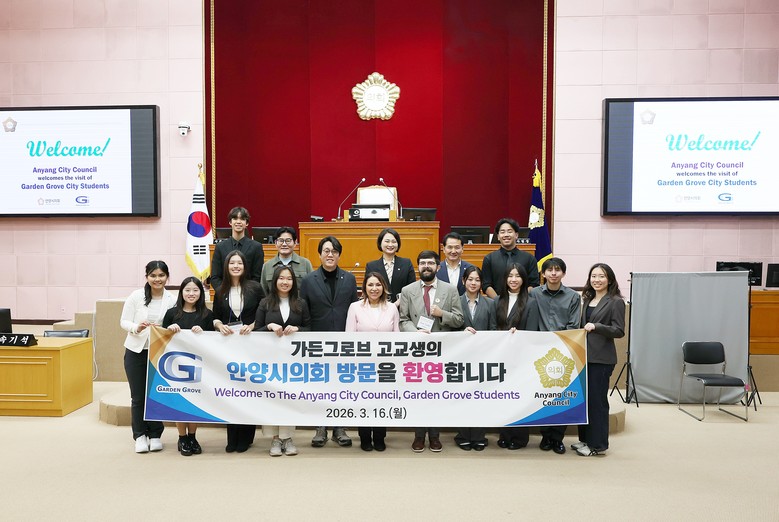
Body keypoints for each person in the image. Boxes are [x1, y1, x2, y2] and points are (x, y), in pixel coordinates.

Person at [399, 250, 464, 452]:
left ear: (438, 266)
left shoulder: (450, 290)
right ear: (418, 266)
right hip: (417, 350)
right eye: (423, 263)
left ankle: (435, 436)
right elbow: (403, 320)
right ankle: (419, 435)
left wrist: (442, 313)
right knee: (419, 395)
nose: (426, 266)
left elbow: (459, 319)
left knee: (436, 395)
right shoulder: (407, 290)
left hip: (441, 351)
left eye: (430, 263)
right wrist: (416, 332)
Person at [300, 236, 358, 448]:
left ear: (339, 255)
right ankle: (320, 427)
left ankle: (339, 428)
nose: (330, 254)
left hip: (344, 342)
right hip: (317, 342)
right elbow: (304, 311)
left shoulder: (349, 279)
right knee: (320, 387)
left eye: (334, 251)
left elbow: (355, 309)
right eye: (326, 251)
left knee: (341, 386)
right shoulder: (308, 280)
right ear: (319, 254)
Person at [120, 260, 177, 454]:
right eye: (153, 275)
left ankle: (155, 435)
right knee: (138, 397)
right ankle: (139, 436)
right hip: (136, 351)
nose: (157, 279)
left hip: (159, 353)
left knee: (155, 395)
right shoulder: (136, 296)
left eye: (161, 275)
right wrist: (136, 328)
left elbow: (174, 322)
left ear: (167, 277)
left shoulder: (172, 299)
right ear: (147, 277)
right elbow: (124, 321)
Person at [254, 265, 311, 457]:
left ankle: (288, 438)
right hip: (270, 360)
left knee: (289, 398)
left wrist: (298, 329)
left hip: (293, 361)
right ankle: (275, 439)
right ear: (275, 281)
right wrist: (269, 326)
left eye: (289, 278)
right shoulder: (265, 302)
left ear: (294, 282)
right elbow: (256, 331)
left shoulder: (301, 303)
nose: (285, 282)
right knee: (271, 399)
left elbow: (310, 328)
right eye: (281, 278)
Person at [212, 250, 265, 453]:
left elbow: (265, 313)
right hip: (228, 347)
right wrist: (218, 325)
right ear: (226, 266)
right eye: (232, 263)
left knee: (248, 390)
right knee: (231, 391)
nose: (236, 266)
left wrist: (253, 325)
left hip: (250, 346)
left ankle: (246, 437)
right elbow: (215, 316)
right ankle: (232, 436)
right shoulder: (220, 290)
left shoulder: (255, 287)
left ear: (245, 266)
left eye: (239, 263)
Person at [530, 257, 581, 455]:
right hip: (539, 352)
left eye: (557, 270)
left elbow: (573, 325)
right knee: (543, 395)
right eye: (549, 270)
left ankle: (558, 438)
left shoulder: (573, 296)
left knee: (561, 396)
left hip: (564, 351)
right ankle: (545, 436)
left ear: (563, 273)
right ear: (543, 273)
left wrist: (558, 341)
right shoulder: (534, 293)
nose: (553, 273)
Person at [572, 263, 625, 457]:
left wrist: (597, 326)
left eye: (601, 276)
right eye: (593, 276)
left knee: (597, 402)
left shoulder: (615, 301)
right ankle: (585, 439)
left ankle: (598, 445)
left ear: (609, 279)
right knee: (584, 401)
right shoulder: (588, 299)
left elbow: (619, 330)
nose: (597, 280)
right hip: (584, 356)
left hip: (601, 359)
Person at [345, 271, 400, 452]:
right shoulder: (355, 307)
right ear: (364, 288)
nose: (374, 288)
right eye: (370, 285)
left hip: (385, 365)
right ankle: (364, 436)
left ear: (383, 287)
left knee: (382, 400)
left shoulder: (392, 308)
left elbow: (397, 336)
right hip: (362, 365)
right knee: (364, 401)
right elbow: (349, 337)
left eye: (378, 285)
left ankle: (379, 436)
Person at [161, 276, 214, 457]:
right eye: (188, 290)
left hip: (197, 367)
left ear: (201, 293)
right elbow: (161, 338)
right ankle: (182, 437)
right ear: (181, 292)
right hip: (175, 367)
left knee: (194, 402)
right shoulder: (171, 314)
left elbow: (213, 342)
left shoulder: (207, 315)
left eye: (195, 290)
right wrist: (169, 329)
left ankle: (192, 436)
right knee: (179, 402)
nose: (191, 293)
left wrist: (203, 333)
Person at [495, 263, 539, 450]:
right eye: (510, 276)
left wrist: (518, 335)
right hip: (501, 358)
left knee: (519, 398)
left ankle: (519, 438)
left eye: (517, 276)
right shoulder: (497, 300)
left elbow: (532, 331)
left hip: (521, 358)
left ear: (524, 279)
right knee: (503, 397)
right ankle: (505, 434)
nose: (513, 279)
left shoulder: (531, 302)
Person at [455, 265, 496, 451]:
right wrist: (461, 331)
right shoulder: (455, 301)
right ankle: (463, 435)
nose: (473, 283)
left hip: (483, 357)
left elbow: (494, 329)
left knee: (481, 397)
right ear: (463, 281)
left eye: (477, 280)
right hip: (460, 358)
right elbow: (449, 327)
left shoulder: (490, 303)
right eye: (470, 279)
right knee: (462, 397)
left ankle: (479, 436)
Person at [481, 217, 540, 298]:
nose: (506, 235)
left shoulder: (529, 258)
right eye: (502, 232)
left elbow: (534, 284)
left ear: (516, 235)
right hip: (496, 303)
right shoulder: (489, 259)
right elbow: (486, 285)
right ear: (498, 236)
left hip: (522, 303)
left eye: (509, 231)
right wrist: (498, 301)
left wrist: (519, 300)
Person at [210, 206, 264, 290]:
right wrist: (225, 293)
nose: (238, 222)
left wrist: (247, 293)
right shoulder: (220, 247)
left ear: (247, 223)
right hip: (225, 293)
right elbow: (215, 277)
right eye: (235, 218)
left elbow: (257, 276)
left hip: (248, 294)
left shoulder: (256, 247)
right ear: (230, 222)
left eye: (242, 219)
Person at [364, 228, 416, 304]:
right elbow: (369, 289)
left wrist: (398, 303)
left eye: (394, 242)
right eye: (387, 241)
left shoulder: (406, 263)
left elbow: (412, 289)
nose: (390, 245)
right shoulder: (371, 266)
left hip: (402, 307)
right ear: (380, 243)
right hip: (379, 307)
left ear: (398, 244)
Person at [260, 226, 313, 295]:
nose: (284, 244)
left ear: (295, 243)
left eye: (288, 240)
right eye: (281, 240)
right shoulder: (267, 266)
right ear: (275, 243)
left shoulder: (305, 263)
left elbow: (312, 289)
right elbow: (263, 292)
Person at [436, 231, 474, 295]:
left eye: (457, 247)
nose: (453, 251)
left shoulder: (470, 268)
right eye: (450, 247)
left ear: (462, 249)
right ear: (444, 249)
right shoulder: (436, 269)